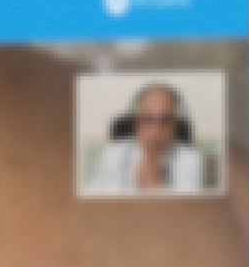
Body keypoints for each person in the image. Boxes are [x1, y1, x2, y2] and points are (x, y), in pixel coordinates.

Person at [80, 77, 219, 194]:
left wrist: (154, 186)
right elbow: (91, 204)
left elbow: (187, 217)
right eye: (147, 120)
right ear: (136, 126)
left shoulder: (191, 161)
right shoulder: (112, 154)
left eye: (165, 121)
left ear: (175, 127)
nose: (155, 132)